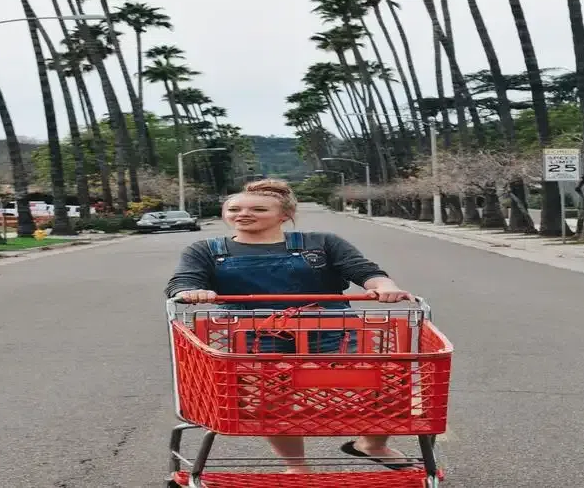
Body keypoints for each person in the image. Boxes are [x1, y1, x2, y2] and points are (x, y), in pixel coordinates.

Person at [164, 178, 418, 473]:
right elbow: (183, 281)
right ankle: (296, 466)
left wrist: (385, 286)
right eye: (234, 209)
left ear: (285, 215)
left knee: (379, 385)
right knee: (271, 400)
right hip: (251, 336)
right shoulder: (205, 250)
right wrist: (191, 292)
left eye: (258, 209)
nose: (243, 214)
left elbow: (364, 271)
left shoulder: (321, 244)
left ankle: (372, 444)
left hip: (331, 331)